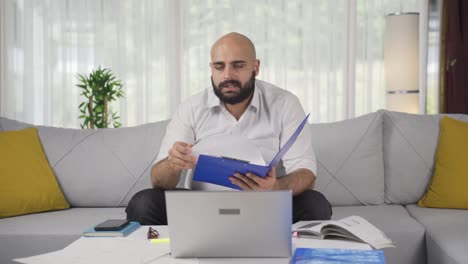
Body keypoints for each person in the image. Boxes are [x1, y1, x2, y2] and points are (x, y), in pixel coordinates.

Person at [126, 32, 332, 225]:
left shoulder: (285, 103)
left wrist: (275, 187)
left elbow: (306, 173)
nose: (227, 75)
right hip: (201, 206)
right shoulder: (192, 107)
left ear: (255, 67)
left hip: (265, 203)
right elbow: (159, 181)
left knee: (315, 204)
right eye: (219, 67)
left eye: (238, 65)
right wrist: (173, 164)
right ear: (211, 68)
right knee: (143, 203)